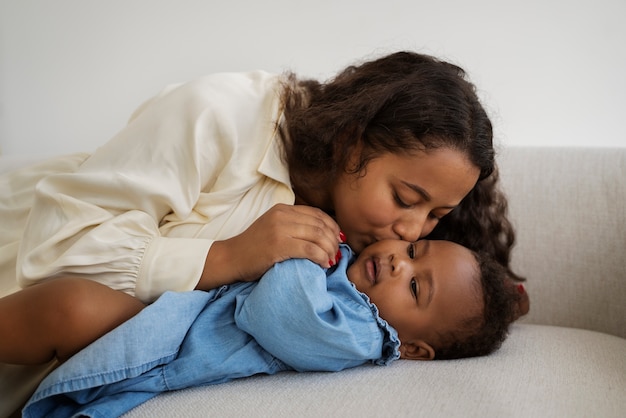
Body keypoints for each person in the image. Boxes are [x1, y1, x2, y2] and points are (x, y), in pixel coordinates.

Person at [0, 51, 522, 415]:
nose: (410, 229)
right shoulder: (220, 114)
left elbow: (456, 297)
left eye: (435, 216)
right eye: (406, 200)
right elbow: (53, 251)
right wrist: (225, 257)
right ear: (349, 142)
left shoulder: (368, 273)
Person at [0, 239, 525, 417]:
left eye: (416, 287)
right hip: (179, 316)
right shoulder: (353, 278)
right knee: (64, 302)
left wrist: (301, 246)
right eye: (412, 251)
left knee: (66, 308)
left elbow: (273, 308)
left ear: (412, 348)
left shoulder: (361, 335)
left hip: (175, 348)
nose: (397, 264)